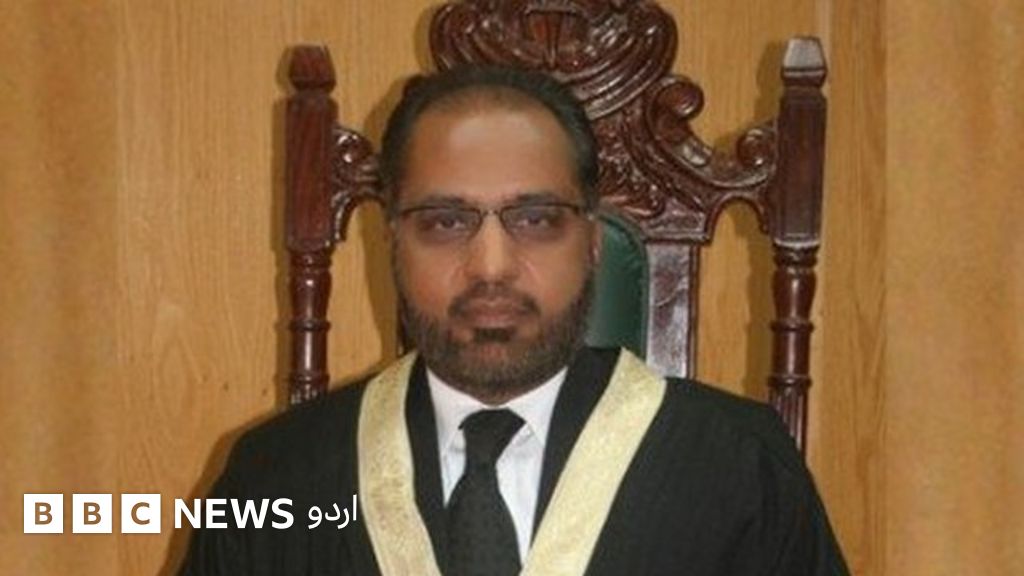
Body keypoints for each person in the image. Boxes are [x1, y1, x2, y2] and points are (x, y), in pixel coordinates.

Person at [180, 65, 849, 576]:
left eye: (535, 220)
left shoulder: (740, 471)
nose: (491, 266)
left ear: (592, 242)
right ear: (392, 243)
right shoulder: (277, 480)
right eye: (446, 222)